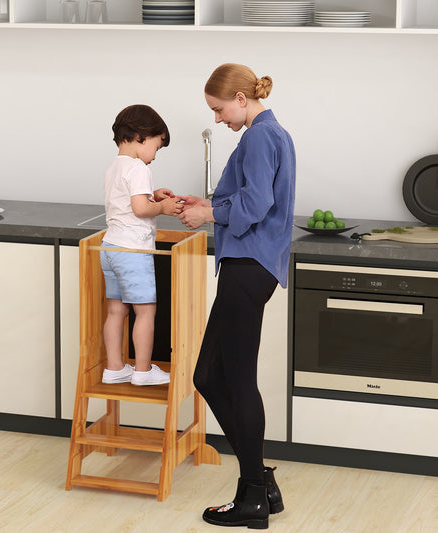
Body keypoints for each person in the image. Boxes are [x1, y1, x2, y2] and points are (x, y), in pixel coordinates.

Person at [178, 64, 296, 529]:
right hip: (250, 266)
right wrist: (205, 206)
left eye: (219, 109)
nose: (220, 118)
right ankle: (260, 481)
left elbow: (255, 205)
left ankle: (252, 497)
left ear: (241, 99)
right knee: (209, 374)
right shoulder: (268, 134)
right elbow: (247, 198)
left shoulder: (260, 137)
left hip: (249, 266)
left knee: (236, 378)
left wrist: (209, 215)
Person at [100, 104, 183, 386]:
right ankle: (144, 371)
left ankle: (114, 368)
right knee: (145, 311)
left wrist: (154, 197)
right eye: (157, 148)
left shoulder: (114, 166)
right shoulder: (138, 167)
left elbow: (128, 201)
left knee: (116, 310)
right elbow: (139, 208)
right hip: (133, 251)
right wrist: (162, 207)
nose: (155, 157)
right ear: (140, 136)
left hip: (110, 247)